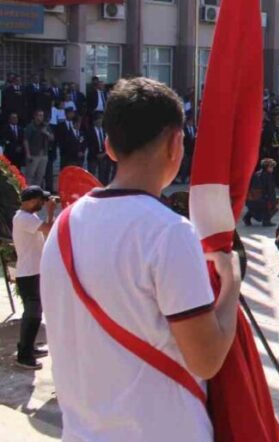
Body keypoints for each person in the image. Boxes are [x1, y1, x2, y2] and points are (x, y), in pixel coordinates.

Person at [40, 77, 243, 441]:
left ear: (109, 146)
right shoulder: (168, 232)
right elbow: (207, 359)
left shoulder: (62, 226)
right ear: (175, 143)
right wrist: (232, 283)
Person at [12, 186, 57, 369]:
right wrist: (51, 212)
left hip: (32, 273)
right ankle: (24, 355)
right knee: (32, 316)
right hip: (29, 274)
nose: (42, 203)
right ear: (30, 201)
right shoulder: (24, 218)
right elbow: (50, 229)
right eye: (40, 200)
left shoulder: (28, 217)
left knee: (35, 314)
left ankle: (27, 347)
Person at [244, 158, 279, 227]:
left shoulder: (255, 174)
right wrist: (273, 203)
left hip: (249, 201)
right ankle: (266, 220)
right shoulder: (268, 176)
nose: (272, 169)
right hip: (261, 202)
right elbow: (271, 192)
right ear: (267, 167)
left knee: (255, 202)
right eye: (271, 167)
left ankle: (247, 217)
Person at [22, 110, 53, 188]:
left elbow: (52, 138)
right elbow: (25, 140)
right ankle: (27, 193)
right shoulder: (30, 126)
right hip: (33, 154)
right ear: (35, 116)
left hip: (44, 154)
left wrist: (46, 133)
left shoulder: (45, 126)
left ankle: (36, 193)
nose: (41, 117)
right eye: (39, 115)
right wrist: (28, 154)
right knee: (30, 175)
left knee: (40, 175)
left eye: (42, 115)